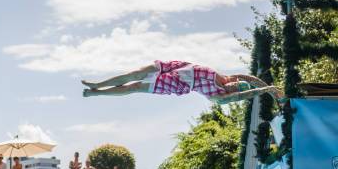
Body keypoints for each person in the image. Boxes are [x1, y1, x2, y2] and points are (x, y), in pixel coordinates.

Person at [82, 60, 284, 103]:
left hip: (174, 84)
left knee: (134, 87)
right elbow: (251, 80)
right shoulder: (229, 76)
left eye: (235, 89)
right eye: (236, 84)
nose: (233, 85)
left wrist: (266, 91)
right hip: (177, 67)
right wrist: (269, 87)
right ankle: (97, 84)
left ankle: (97, 93)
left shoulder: (217, 96)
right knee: (135, 73)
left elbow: (245, 93)